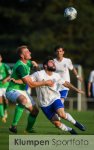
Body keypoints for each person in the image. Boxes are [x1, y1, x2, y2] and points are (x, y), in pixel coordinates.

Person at [29, 56, 85, 134]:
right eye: (51, 62)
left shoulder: (56, 75)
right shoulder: (38, 74)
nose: (53, 63)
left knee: (62, 114)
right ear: (45, 65)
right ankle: (71, 130)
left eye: (53, 62)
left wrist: (76, 89)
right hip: (44, 104)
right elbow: (28, 81)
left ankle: (76, 123)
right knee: (57, 124)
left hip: (54, 98)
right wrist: (16, 81)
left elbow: (66, 83)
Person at [5, 45, 53, 133]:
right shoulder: (20, 66)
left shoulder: (27, 62)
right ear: (22, 56)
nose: (30, 52)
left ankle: (29, 129)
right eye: (27, 52)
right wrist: (45, 82)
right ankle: (13, 126)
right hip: (12, 90)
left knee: (35, 111)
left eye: (29, 51)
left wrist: (35, 65)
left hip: (22, 90)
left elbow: (36, 68)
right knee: (23, 100)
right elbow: (30, 84)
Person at [0, 54, 11, 123]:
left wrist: (6, 79)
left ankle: (5, 110)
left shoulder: (5, 66)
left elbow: (10, 74)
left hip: (6, 85)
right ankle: (2, 116)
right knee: (0, 101)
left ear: (1, 58)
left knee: (6, 101)